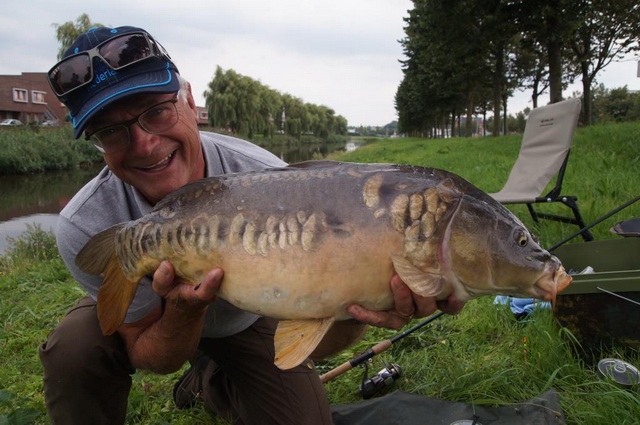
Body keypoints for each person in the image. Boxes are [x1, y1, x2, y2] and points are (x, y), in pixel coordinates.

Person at [39, 25, 465, 425]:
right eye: (112, 132)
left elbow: (319, 335)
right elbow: (155, 358)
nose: (146, 145)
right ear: (96, 142)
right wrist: (185, 310)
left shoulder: (272, 181)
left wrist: (361, 305)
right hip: (159, 322)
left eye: (157, 112)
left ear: (188, 101)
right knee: (75, 347)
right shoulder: (87, 223)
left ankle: (210, 380)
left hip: (248, 319)